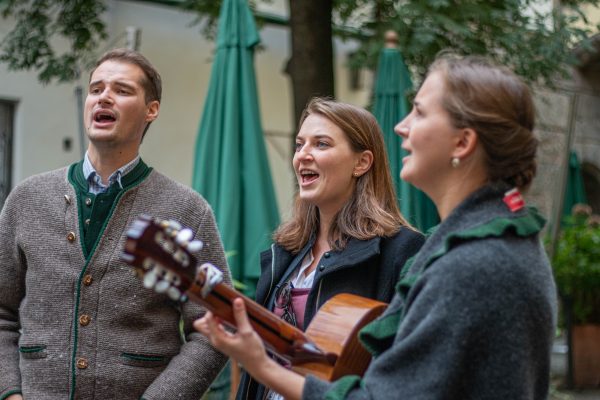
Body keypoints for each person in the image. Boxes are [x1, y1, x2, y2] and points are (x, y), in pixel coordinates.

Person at [195, 55, 558, 400]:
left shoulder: (473, 263)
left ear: (462, 142)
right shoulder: (494, 244)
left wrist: (261, 364)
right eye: (300, 144)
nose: (401, 126)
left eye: (419, 111)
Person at [0, 48, 231, 400]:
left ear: (151, 110)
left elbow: (214, 326)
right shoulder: (27, 199)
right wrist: (10, 393)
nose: (104, 97)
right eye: (96, 89)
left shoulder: (186, 210)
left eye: (122, 90)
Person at [230, 98, 424, 400]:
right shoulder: (286, 252)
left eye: (321, 144)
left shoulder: (401, 251)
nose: (303, 155)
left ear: (362, 163)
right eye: (299, 144)